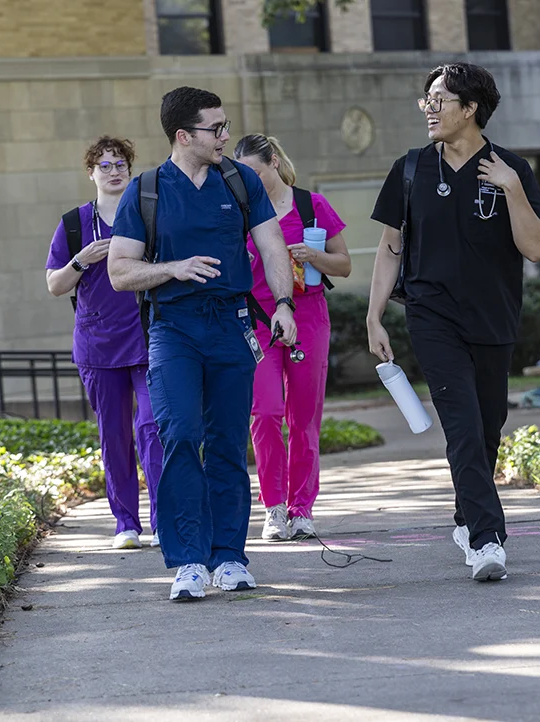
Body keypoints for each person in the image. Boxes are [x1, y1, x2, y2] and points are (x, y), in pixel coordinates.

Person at [107, 88, 297, 601]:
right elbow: (119, 271)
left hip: (233, 326)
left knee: (229, 443)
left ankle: (229, 557)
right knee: (181, 434)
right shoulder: (145, 191)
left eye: (227, 125)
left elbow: (272, 244)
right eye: (217, 129)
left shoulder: (238, 181)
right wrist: (173, 268)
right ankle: (189, 561)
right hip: (174, 328)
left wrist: (283, 305)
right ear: (183, 135)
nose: (226, 136)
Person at [366, 63, 540, 582]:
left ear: (470, 109)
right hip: (431, 316)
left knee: (489, 426)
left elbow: (535, 249)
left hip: (494, 317)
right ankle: (487, 538)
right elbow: (389, 248)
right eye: (426, 98)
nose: (429, 108)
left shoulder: (512, 169)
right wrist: (374, 315)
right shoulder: (411, 169)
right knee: (464, 426)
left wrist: (512, 189)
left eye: (440, 99)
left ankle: (465, 513)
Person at [45, 136, 163, 551]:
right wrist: (83, 259)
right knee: (114, 435)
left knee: (152, 427)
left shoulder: (147, 214)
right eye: (105, 165)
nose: (114, 172)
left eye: (120, 165)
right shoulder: (74, 224)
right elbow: (54, 285)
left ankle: (163, 520)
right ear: (91, 173)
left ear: (129, 171)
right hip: (98, 343)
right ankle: (125, 524)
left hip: (151, 338)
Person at [234, 134, 351, 541]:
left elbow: (345, 265)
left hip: (309, 316)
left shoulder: (311, 205)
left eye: (254, 172)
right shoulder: (239, 211)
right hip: (258, 320)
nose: (248, 180)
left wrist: (312, 256)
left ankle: (302, 508)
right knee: (264, 413)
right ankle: (274, 508)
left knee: (304, 419)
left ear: (274, 163)